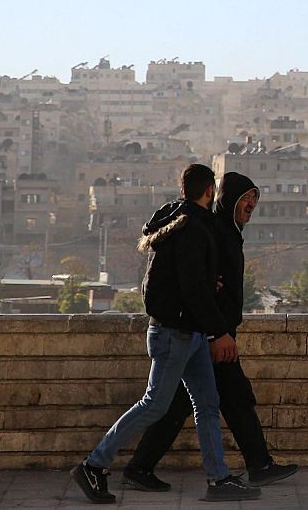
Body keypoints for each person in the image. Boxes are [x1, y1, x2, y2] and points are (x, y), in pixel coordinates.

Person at [70, 164, 260, 504]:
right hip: (176, 333)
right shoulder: (191, 228)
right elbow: (190, 287)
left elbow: (185, 279)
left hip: (191, 332)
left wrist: (207, 295)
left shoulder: (181, 220)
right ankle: (93, 464)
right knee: (154, 404)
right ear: (209, 191)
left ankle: (219, 479)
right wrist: (219, 332)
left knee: (206, 404)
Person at [122, 172, 298, 491]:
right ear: (226, 198)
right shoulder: (214, 230)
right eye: (246, 198)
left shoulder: (227, 231)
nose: (252, 204)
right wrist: (217, 332)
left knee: (189, 402)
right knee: (223, 398)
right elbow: (198, 286)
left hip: (211, 332)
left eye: (255, 197)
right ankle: (252, 467)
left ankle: (141, 466)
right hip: (208, 334)